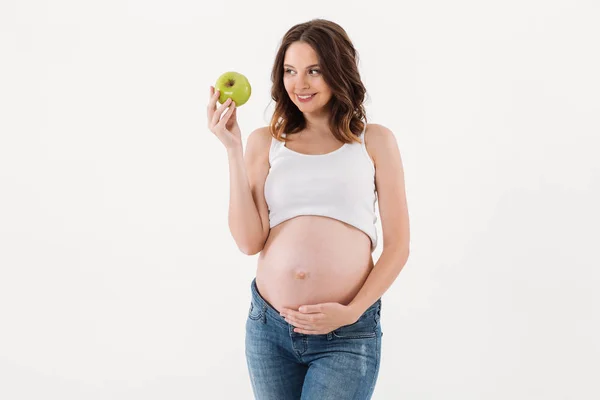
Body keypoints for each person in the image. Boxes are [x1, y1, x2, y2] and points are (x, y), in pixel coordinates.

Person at [207, 18, 410, 400]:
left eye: (314, 71)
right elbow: (249, 242)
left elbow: (398, 246)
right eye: (290, 71)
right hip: (270, 331)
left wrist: (352, 312)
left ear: (338, 71)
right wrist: (232, 148)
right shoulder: (265, 142)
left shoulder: (375, 141)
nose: (299, 84)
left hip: (346, 335)